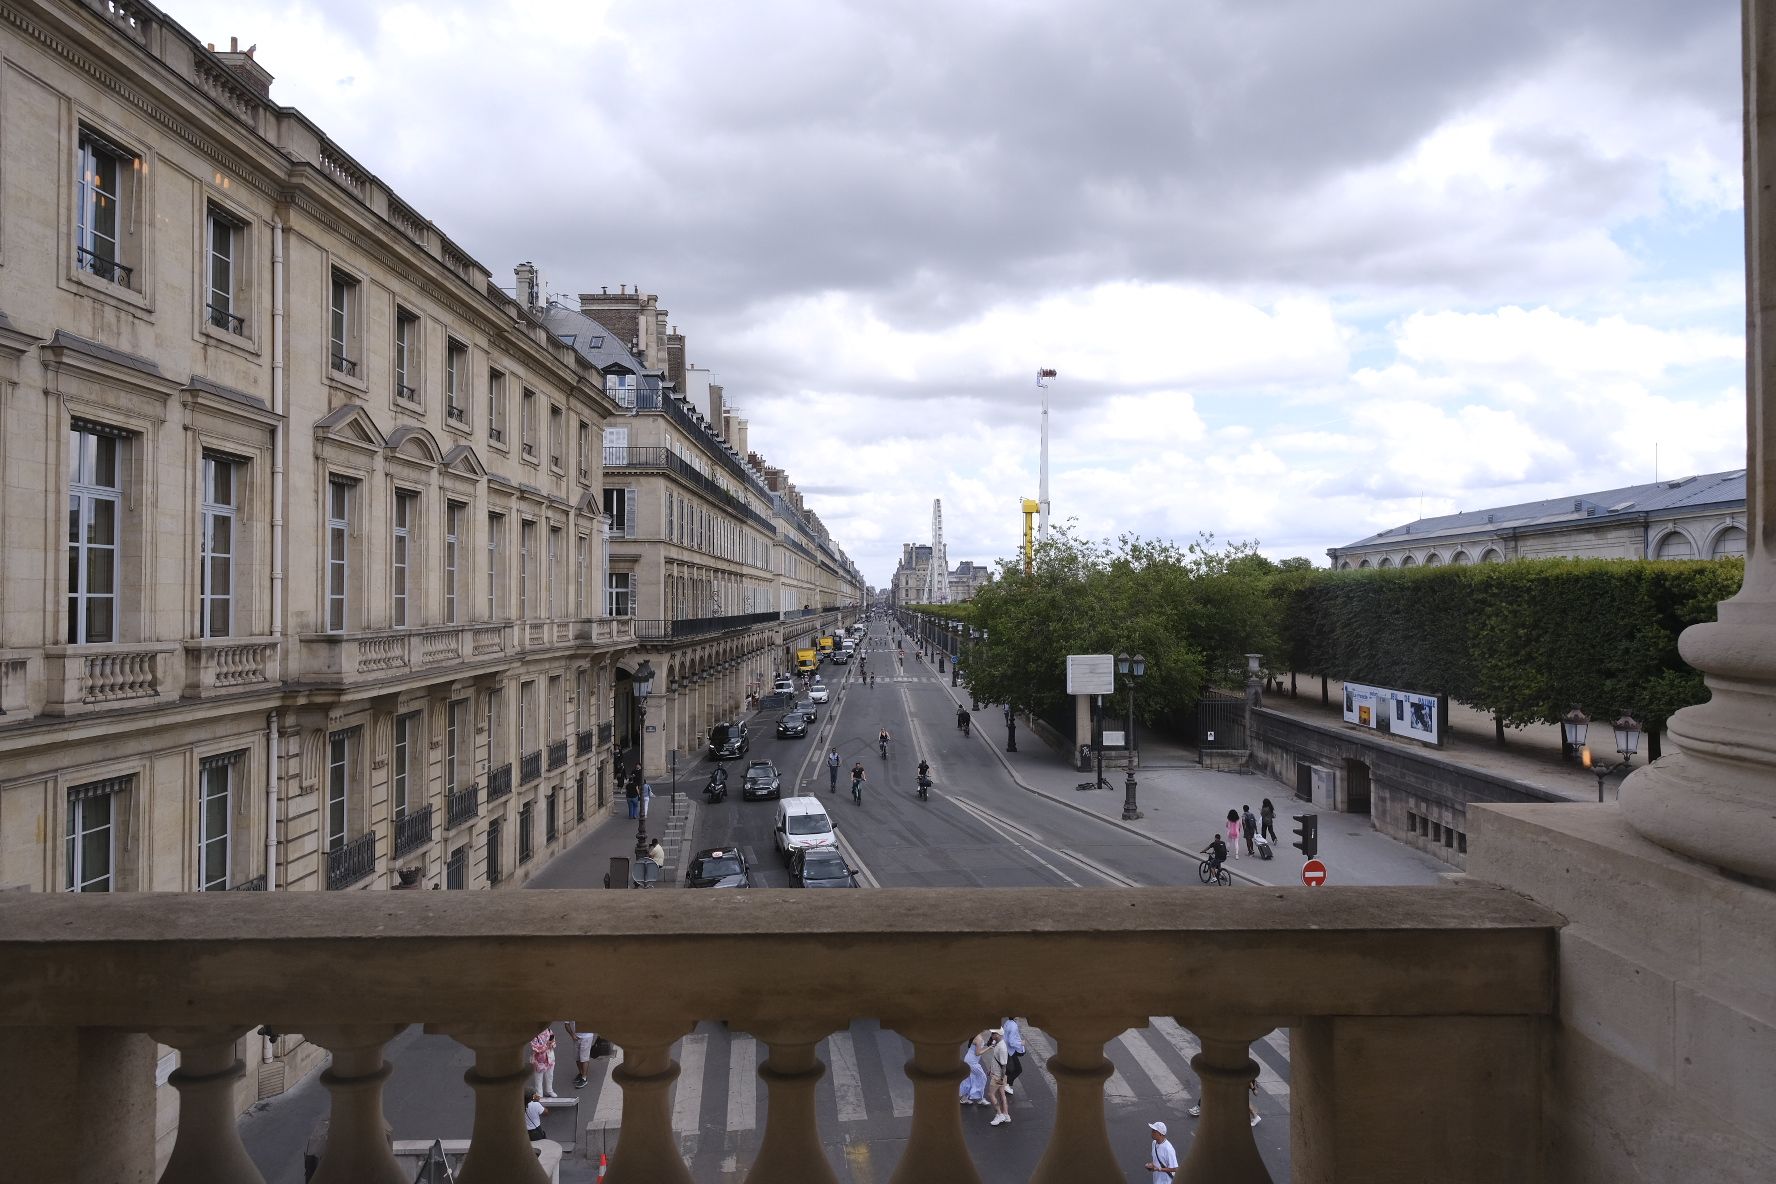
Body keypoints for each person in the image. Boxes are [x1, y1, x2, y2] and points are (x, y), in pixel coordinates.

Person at [978, 1028, 1011, 1125]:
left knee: (991, 1094)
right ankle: (1006, 1115)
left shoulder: (1002, 1048)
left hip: (998, 1076)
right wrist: (990, 1069)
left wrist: (1001, 1079)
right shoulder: (998, 1044)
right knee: (1002, 1094)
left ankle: (999, 1114)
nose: (991, 1035)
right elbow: (996, 1059)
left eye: (993, 1033)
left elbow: (1004, 1065)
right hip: (999, 1075)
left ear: (998, 1035)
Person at [565, 1020, 595, 1089]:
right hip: (576, 1037)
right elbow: (566, 1024)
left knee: (584, 1058)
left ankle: (584, 1078)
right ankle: (581, 1074)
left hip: (587, 1037)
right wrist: (572, 1035)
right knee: (577, 1057)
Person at [1001, 1017, 1027, 1095]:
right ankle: (1005, 1084)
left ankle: (1004, 1084)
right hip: (1009, 1051)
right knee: (1017, 1069)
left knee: (1008, 1069)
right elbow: (1011, 1042)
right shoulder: (1013, 1026)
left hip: (1005, 1048)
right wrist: (1021, 1043)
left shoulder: (1007, 1022)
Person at [530, 1026, 558, 1098]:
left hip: (550, 1057)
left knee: (550, 1075)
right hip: (538, 1060)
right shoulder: (534, 1034)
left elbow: (553, 1040)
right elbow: (535, 1047)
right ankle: (539, 1094)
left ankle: (549, 1090)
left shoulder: (548, 1030)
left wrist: (551, 1044)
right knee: (539, 1078)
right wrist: (547, 1045)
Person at [959, 1037, 987, 1106]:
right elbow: (977, 1053)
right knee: (982, 1078)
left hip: (969, 1060)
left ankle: (964, 1099)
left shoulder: (976, 1036)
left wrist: (987, 1045)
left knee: (969, 1080)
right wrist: (989, 1048)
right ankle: (980, 1099)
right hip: (972, 1062)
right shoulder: (979, 1039)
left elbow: (977, 1047)